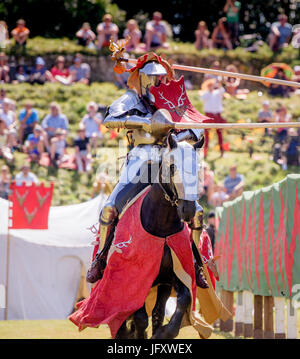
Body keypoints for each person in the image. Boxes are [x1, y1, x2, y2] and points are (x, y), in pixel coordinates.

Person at [86, 52, 208, 289]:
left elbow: (198, 129)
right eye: (151, 78)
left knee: (197, 212)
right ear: (140, 79)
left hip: (171, 156)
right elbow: (110, 119)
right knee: (110, 208)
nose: (156, 83)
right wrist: (144, 122)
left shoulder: (172, 100)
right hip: (142, 159)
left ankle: (197, 262)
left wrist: (180, 132)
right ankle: (100, 258)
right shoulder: (132, 99)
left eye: (160, 78)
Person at [200, 79, 226, 157]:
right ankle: (205, 152)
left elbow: (222, 91)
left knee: (220, 133)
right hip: (209, 115)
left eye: (212, 85)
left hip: (217, 115)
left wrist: (220, 83)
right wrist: (209, 91)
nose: (212, 87)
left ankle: (222, 151)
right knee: (207, 134)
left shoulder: (217, 92)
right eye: (210, 85)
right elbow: (202, 98)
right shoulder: (205, 94)